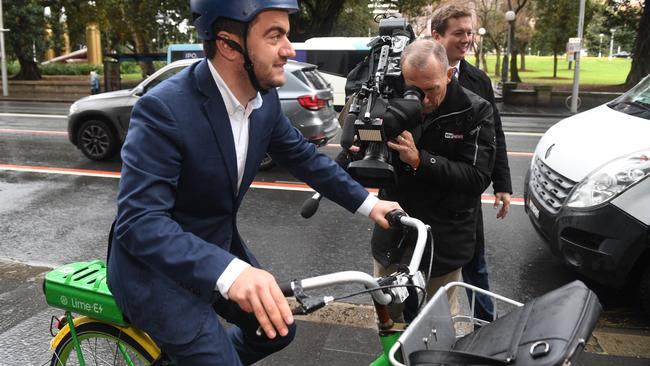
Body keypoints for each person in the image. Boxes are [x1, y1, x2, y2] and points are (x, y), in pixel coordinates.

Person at [106, 1, 401, 365]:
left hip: (214, 249)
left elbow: (305, 159)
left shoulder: (264, 100)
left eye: (286, 35)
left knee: (278, 328)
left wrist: (371, 206)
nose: (290, 50)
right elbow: (139, 222)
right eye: (275, 36)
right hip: (155, 275)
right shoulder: (163, 109)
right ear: (230, 45)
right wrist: (231, 272)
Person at [371, 39, 496, 321]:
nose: (423, 101)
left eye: (432, 89)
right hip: (394, 234)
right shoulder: (391, 99)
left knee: (436, 324)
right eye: (414, 88)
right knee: (390, 317)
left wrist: (420, 160)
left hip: (445, 238)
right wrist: (367, 143)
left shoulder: (475, 110)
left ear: (449, 74)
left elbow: (477, 177)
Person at [431, 3, 513, 322]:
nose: (466, 39)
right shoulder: (413, 72)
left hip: (465, 193)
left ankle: (487, 330)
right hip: (424, 189)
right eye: (458, 33)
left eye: (470, 32)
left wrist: (503, 185)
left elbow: (497, 136)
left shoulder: (479, 80)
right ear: (437, 36)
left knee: (475, 266)